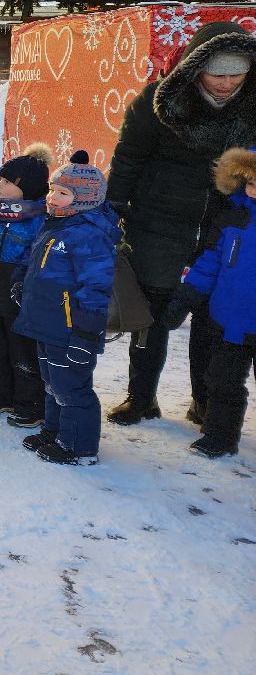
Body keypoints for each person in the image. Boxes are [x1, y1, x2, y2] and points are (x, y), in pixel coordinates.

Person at [105, 23, 256, 428]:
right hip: (157, 222)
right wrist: (115, 205)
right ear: (195, 68)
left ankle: (204, 402)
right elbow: (129, 157)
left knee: (211, 321)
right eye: (217, 74)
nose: (226, 84)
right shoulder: (157, 101)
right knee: (151, 317)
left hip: (225, 228)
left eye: (236, 74)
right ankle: (141, 398)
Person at [12, 152, 120, 466]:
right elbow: (34, 264)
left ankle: (79, 446)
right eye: (52, 190)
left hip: (72, 330)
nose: (52, 196)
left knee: (72, 388)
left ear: (85, 199)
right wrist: (21, 285)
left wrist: (86, 335)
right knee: (52, 383)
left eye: (62, 193)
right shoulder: (54, 225)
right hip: (48, 324)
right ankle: (55, 430)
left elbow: (95, 291)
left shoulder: (88, 236)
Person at [163, 146, 256, 458]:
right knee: (222, 382)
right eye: (250, 183)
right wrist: (185, 299)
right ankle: (219, 437)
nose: (253, 190)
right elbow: (209, 263)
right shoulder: (232, 218)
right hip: (229, 321)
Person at [0, 144, 53, 428]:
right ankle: (0, 394)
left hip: (20, 298)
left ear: (24, 187)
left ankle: (30, 404)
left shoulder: (40, 220)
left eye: (5, 182)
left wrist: (27, 287)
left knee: (23, 352)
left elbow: (37, 260)